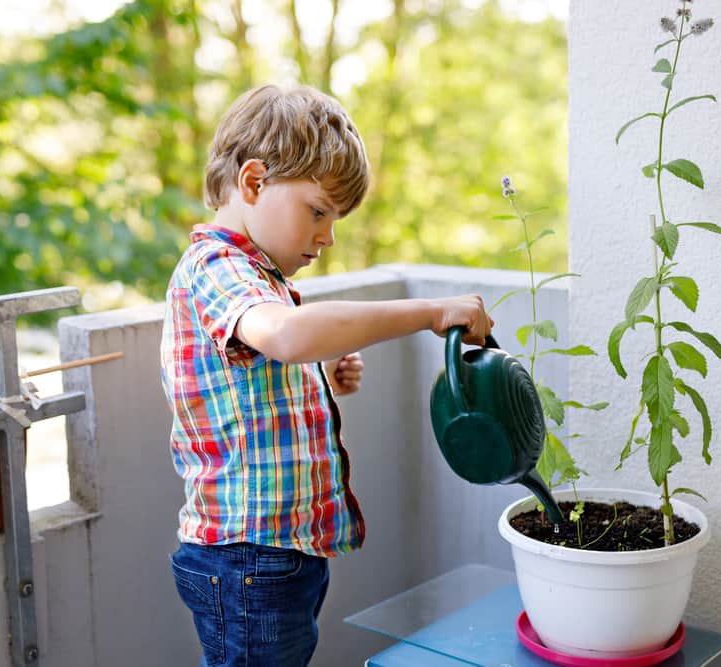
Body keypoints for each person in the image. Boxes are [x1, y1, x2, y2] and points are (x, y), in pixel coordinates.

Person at [160, 83, 492, 667]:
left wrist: (321, 379)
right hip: (246, 557)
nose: (327, 236)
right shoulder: (215, 266)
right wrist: (429, 312)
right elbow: (288, 336)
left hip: (276, 555)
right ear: (254, 182)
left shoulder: (262, 279)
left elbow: (266, 371)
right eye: (318, 211)